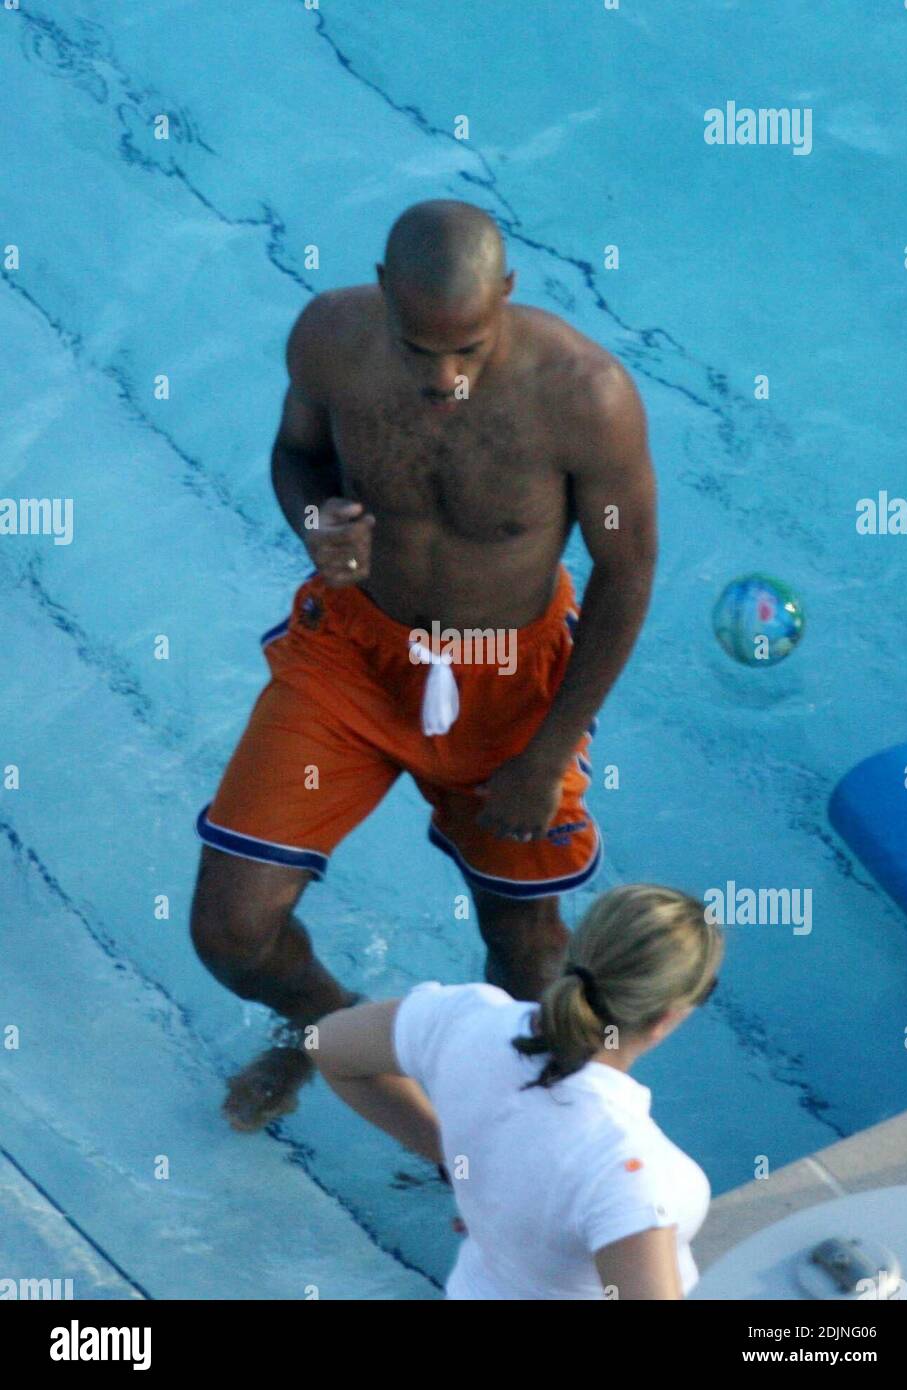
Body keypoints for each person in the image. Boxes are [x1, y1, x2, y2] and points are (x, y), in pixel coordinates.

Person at [189, 198, 657, 1132]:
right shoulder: (330, 337)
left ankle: (502, 1131)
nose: (444, 380)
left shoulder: (583, 393)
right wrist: (315, 519)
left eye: (468, 352)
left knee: (523, 948)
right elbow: (296, 456)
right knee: (232, 934)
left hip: (507, 680)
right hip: (353, 656)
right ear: (381, 294)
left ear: (509, 297)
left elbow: (626, 569)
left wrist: (543, 750)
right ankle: (335, 1038)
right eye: (419, 351)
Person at [316, 884, 723, 1300]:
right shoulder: (631, 1169)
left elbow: (324, 1044)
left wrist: (462, 1165)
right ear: (665, 1017)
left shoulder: (462, 1019)